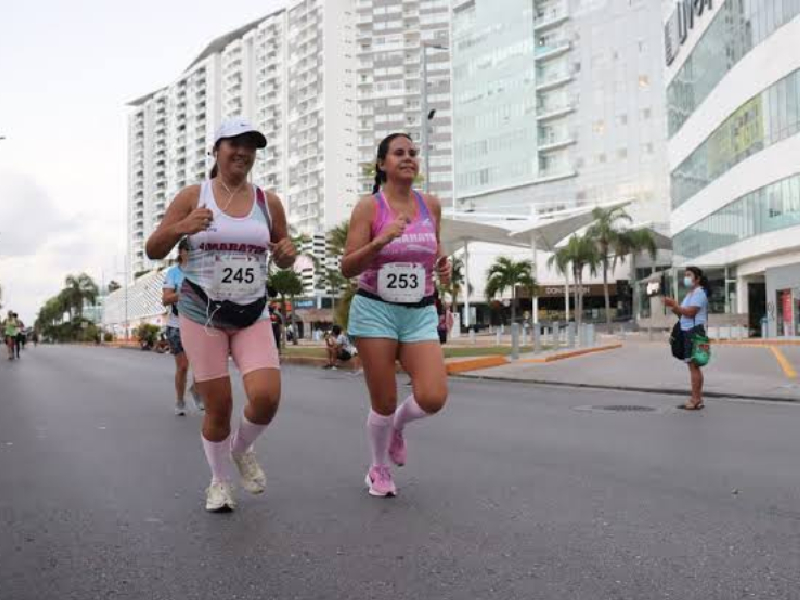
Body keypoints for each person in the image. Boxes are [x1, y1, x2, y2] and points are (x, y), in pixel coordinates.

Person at [146, 117, 296, 512]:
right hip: (202, 315)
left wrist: (286, 254)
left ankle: (241, 448)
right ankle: (219, 482)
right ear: (216, 149)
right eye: (235, 144)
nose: (243, 152)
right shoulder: (194, 195)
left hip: (252, 312)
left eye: (251, 146)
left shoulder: (268, 202)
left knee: (266, 398)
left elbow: (285, 252)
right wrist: (182, 225)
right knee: (220, 406)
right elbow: (153, 249)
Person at [342, 132, 451, 498]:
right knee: (384, 400)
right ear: (382, 164)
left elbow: (433, 250)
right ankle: (378, 468)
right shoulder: (370, 207)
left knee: (433, 396)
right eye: (399, 153)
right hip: (376, 309)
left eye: (413, 153)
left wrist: (442, 264)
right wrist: (380, 241)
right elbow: (347, 266)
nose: (408, 158)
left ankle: (398, 429)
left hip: (420, 310)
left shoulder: (430, 205)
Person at [163, 238, 204, 416]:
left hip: (198, 324)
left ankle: (196, 390)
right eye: (189, 250)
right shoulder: (173, 273)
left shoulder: (201, 272)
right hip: (176, 325)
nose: (192, 254)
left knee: (202, 366)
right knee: (183, 366)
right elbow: (166, 299)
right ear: (181, 252)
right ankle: (180, 401)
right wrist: (184, 293)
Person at [664, 266, 710, 411]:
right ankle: (698, 398)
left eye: (689, 275)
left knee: (693, 366)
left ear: (697, 278)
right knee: (694, 366)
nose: (686, 278)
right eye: (685, 275)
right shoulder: (691, 294)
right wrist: (675, 307)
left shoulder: (699, 293)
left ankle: (695, 399)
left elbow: (690, 313)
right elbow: (683, 314)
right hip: (688, 331)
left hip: (693, 332)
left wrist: (675, 306)